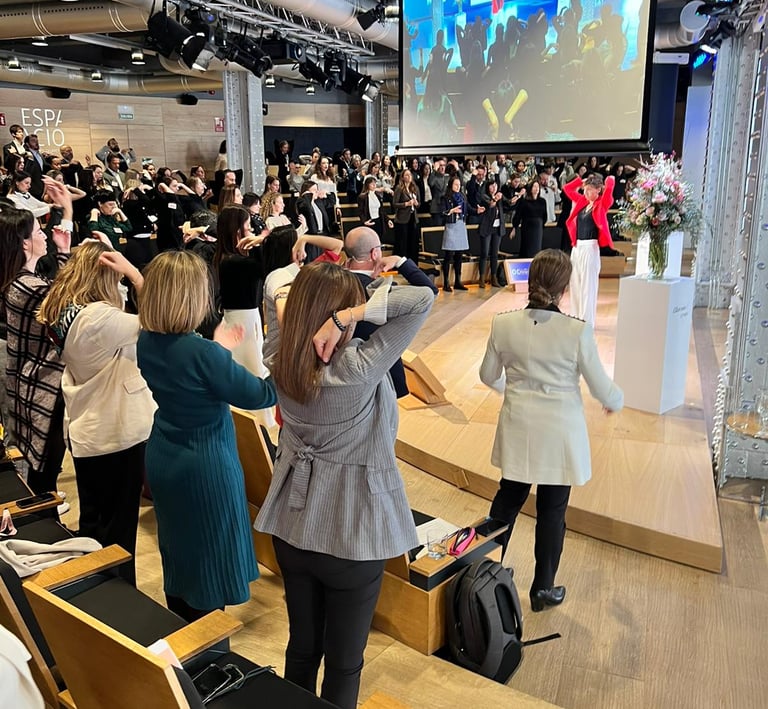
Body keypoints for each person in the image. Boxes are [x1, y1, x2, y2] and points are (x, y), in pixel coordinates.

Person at [255, 261, 435, 709]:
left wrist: (297, 294)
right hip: (352, 533)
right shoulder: (356, 366)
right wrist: (348, 316)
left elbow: (274, 288)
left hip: (292, 527)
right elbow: (422, 298)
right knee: (344, 665)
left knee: (301, 649)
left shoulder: (278, 356)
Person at [479, 249, 623, 613]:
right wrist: (616, 401)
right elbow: (601, 387)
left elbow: (487, 375)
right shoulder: (576, 331)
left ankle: (483, 576)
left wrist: (511, 391)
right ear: (564, 288)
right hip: (559, 434)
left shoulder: (503, 324)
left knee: (506, 502)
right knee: (552, 511)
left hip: (518, 427)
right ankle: (542, 588)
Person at [137, 250, 277, 621]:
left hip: (165, 454)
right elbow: (261, 394)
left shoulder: (147, 341)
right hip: (205, 463)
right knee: (210, 558)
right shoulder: (202, 353)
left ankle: (183, 632)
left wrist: (218, 350)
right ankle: (207, 645)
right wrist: (291, 362)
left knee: (180, 549)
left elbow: (190, 373)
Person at [37, 242, 151, 585]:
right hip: (115, 433)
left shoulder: (65, 310)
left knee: (94, 526)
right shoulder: (100, 318)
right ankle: (119, 599)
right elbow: (160, 321)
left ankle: (92, 597)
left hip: (89, 430)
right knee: (118, 534)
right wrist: (135, 276)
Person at [0, 181, 73, 496]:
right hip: (41, 387)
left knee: (44, 470)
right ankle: (43, 511)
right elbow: (68, 303)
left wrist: (64, 245)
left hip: (32, 385)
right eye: (38, 231)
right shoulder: (27, 287)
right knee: (44, 471)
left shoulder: (20, 280)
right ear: (24, 243)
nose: (44, 235)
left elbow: (57, 292)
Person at [563, 173, 616, 327]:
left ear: (598, 190)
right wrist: (580, 182)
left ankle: (586, 322)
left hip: (590, 247)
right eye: (585, 190)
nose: (585, 192)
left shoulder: (602, 203)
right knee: (575, 283)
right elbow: (567, 189)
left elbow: (610, 185)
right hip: (577, 247)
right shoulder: (582, 201)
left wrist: (608, 181)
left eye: (589, 190)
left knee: (588, 286)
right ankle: (576, 318)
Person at [441, 175, 469, 292]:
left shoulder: (462, 196)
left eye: (459, 185)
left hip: (461, 224)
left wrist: (477, 210)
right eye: (455, 184)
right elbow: (442, 212)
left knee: (459, 255)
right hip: (451, 226)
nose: (458, 187)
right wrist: (451, 211)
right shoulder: (446, 197)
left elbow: (468, 208)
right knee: (448, 255)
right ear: (451, 185)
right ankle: (446, 282)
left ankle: (458, 281)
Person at [477, 179, 505, 287]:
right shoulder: (485, 196)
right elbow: (491, 205)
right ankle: (482, 277)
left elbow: (508, 204)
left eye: (495, 186)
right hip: (486, 227)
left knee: (495, 253)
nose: (494, 188)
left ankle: (494, 277)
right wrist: (495, 198)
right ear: (488, 187)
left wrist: (518, 196)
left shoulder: (500, 197)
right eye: (491, 186)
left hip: (498, 228)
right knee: (484, 252)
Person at [391, 168, 420, 264]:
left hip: (413, 217)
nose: (409, 177)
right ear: (402, 177)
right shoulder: (399, 188)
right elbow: (394, 204)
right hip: (402, 219)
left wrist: (416, 204)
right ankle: (401, 263)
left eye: (410, 175)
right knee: (402, 242)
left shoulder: (415, 188)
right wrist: (406, 204)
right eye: (406, 175)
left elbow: (419, 204)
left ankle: (412, 263)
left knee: (413, 241)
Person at [513, 181, 548, 258]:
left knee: (536, 248)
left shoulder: (542, 201)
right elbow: (518, 215)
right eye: (534, 186)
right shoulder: (524, 202)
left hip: (538, 228)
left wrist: (541, 224)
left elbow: (545, 216)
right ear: (530, 189)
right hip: (527, 227)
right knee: (527, 248)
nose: (536, 188)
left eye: (538, 187)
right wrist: (514, 226)